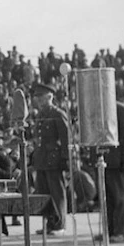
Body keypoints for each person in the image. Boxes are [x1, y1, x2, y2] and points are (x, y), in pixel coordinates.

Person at [95, 84, 124, 243]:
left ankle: (119, 232)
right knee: (107, 199)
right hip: (104, 160)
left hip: (116, 161)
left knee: (118, 197)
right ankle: (110, 231)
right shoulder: (102, 109)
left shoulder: (121, 109)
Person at [29, 83, 70, 236]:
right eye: (36, 97)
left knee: (57, 192)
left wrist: (66, 158)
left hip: (54, 159)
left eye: (41, 97)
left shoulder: (58, 114)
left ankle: (60, 224)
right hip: (42, 159)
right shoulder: (40, 115)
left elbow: (66, 139)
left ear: (50, 97)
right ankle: (50, 223)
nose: (38, 100)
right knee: (44, 192)